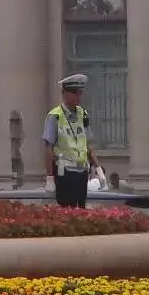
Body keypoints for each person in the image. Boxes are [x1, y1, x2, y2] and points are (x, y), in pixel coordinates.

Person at [43, 73, 99, 208]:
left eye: (80, 93)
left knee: (81, 209)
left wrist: (98, 168)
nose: (78, 97)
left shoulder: (83, 114)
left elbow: (88, 144)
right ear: (64, 93)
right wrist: (50, 176)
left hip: (81, 172)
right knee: (68, 210)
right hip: (64, 172)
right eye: (74, 93)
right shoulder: (55, 116)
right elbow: (48, 148)